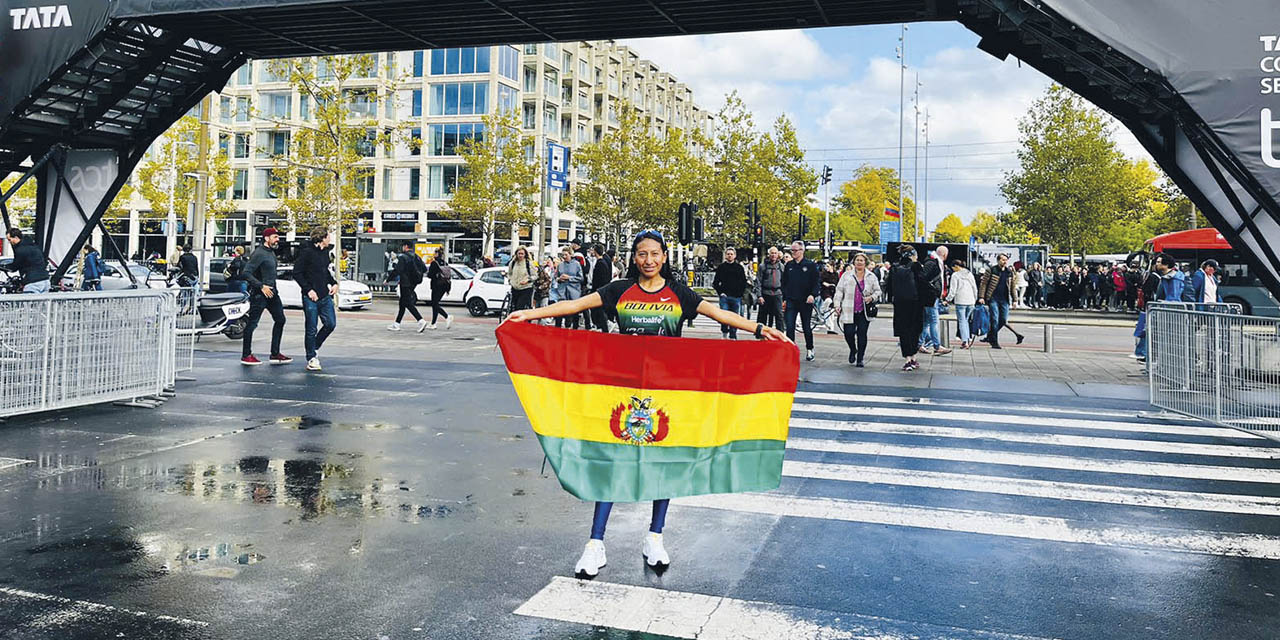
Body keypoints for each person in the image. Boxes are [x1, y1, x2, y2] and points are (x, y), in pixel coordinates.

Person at [504, 229, 790, 577]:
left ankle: (655, 537)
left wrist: (760, 329)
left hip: (668, 396)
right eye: (642, 254)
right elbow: (575, 304)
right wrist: (529, 316)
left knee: (663, 466)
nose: (649, 260)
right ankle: (595, 544)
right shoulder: (619, 290)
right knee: (611, 464)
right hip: (621, 394)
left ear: (664, 256)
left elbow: (719, 315)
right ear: (634, 257)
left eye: (655, 254)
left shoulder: (678, 294)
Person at [240, 228, 291, 366]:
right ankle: (246, 355)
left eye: (278, 237)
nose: (277, 239)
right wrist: (261, 286)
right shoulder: (259, 253)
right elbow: (246, 273)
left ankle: (275, 354)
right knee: (252, 323)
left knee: (280, 320)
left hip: (272, 293)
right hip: (260, 294)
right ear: (266, 238)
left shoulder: (271, 253)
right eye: (275, 237)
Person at [293, 228, 339, 371]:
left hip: (324, 295)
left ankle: (314, 346)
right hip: (310, 297)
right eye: (328, 237)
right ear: (322, 238)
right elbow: (297, 273)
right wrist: (308, 290)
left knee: (330, 324)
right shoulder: (307, 253)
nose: (330, 239)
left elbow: (325, 272)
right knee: (311, 328)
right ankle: (311, 357)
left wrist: (334, 283)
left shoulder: (325, 253)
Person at [832, 252, 880, 366]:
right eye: (857, 260)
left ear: (865, 263)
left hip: (864, 311)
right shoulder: (846, 275)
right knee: (848, 333)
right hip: (849, 309)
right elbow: (839, 290)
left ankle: (860, 358)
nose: (859, 262)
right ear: (854, 262)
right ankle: (853, 349)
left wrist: (871, 297)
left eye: (861, 260)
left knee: (862, 334)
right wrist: (837, 305)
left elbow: (878, 291)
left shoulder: (871, 276)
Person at [883, 244, 923, 371]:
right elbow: (922, 283)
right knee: (915, 330)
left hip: (900, 303)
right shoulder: (916, 266)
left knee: (904, 331)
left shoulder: (894, 267)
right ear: (912, 255)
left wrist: (891, 299)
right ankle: (914, 357)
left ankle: (907, 359)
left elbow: (889, 286)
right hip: (915, 303)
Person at [782, 242, 820, 361]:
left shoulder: (810, 265)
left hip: (805, 300)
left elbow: (816, 282)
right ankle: (790, 349)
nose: (793, 252)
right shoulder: (789, 265)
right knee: (789, 326)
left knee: (806, 326)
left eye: (795, 250)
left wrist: (812, 295)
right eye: (792, 250)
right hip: (792, 299)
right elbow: (784, 282)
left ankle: (810, 348)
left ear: (802, 251)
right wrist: (785, 297)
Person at [977, 253, 1025, 349]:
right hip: (993, 298)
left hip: (1005, 299)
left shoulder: (1009, 272)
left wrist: (1015, 300)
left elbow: (1012, 287)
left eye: (1006, 260)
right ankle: (994, 342)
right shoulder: (991, 270)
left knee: (1003, 320)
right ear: (998, 260)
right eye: (1003, 260)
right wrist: (981, 297)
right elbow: (984, 284)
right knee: (994, 319)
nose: (1005, 262)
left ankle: (990, 336)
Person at [918, 246, 951, 356]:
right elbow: (924, 278)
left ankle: (919, 344)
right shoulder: (933, 263)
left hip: (931, 296)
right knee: (934, 320)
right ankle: (937, 346)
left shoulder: (933, 261)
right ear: (945, 255)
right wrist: (934, 290)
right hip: (930, 297)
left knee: (927, 322)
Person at [388, 241, 428, 332]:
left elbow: (397, 270)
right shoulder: (417, 256)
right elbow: (424, 269)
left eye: (403, 246)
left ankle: (421, 320)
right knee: (402, 303)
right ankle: (396, 324)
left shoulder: (403, 257)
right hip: (413, 283)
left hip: (405, 283)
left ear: (406, 246)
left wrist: (388, 279)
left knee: (407, 303)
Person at [712, 247, 747, 339]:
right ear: (725, 255)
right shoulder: (721, 267)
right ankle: (724, 332)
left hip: (736, 297)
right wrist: (721, 293)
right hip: (725, 297)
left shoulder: (739, 268)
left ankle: (733, 335)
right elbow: (716, 282)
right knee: (724, 317)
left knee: (734, 318)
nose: (730, 256)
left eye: (731, 254)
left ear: (735, 256)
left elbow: (743, 282)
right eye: (728, 254)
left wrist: (740, 294)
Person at [946, 258, 979, 349]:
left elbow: (953, 290)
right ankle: (967, 339)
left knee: (962, 321)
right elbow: (974, 288)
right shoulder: (970, 274)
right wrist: (975, 299)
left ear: (956, 266)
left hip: (960, 301)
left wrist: (948, 299)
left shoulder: (955, 275)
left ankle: (965, 341)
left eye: (953, 268)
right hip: (971, 301)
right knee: (966, 321)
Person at [6, 228, 50, 294]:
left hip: (33, 282)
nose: (9, 242)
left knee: (30, 304)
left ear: (16, 237)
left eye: (9, 239)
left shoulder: (20, 250)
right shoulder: (34, 246)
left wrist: (5, 267)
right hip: (45, 280)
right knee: (43, 304)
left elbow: (15, 266)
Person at [553, 247, 583, 329]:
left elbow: (581, 278)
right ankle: (557, 330)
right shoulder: (560, 265)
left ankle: (574, 329)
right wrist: (559, 279)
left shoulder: (577, 264)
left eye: (566, 255)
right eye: (563, 255)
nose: (564, 257)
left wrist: (569, 277)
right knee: (560, 311)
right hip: (562, 291)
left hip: (574, 291)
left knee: (573, 313)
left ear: (570, 254)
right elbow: (555, 277)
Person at [756, 246, 784, 332]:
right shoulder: (762, 266)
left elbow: (784, 281)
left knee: (779, 315)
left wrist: (784, 296)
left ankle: (780, 334)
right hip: (765, 293)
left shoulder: (781, 266)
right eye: (772, 253)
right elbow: (758, 281)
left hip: (777, 294)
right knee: (763, 316)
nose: (773, 255)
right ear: (769, 254)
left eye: (775, 253)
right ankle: (760, 334)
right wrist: (759, 295)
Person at [426, 247, 454, 329]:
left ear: (437, 254)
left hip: (436, 286)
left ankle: (447, 316)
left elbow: (430, 275)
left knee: (434, 304)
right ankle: (433, 323)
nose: (434, 254)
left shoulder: (434, 263)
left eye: (435, 253)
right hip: (444, 286)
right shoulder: (445, 263)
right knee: (435, 304)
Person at [586, 244, 612, 332]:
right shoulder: (603, 262)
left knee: (598, 310)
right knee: (598, 310)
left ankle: (602, 327)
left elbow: (599, 279)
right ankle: (602, 327)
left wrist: (596, 289)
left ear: (596, 251)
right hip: (601, 289)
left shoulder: (600, 263)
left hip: (599, 290)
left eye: (593, 250)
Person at [507, 246, 536, 312]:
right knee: (513, 307)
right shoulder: (512, 263)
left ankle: (521, 320)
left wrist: (527, 280)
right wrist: (510, 280)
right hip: (515, 288)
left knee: (520, 306)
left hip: (526, 288)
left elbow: (535, 276)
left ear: (525, 254)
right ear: (516, 254)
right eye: (519, 253)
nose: (520, 255)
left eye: (522, 254)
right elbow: (509, 273)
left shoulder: (529, 263)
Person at [819, 261, 840, 335]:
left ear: (832, 266)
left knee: (830, 312)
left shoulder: (835, 274)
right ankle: (822, 310)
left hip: (833, 291)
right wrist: (827, 284)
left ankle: (830, 328)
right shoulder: (823, 273)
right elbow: (821, 281)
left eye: (828, 266)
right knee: (828, 300)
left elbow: (838, 283)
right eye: (826, 266)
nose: (826, 267)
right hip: (825, 291)